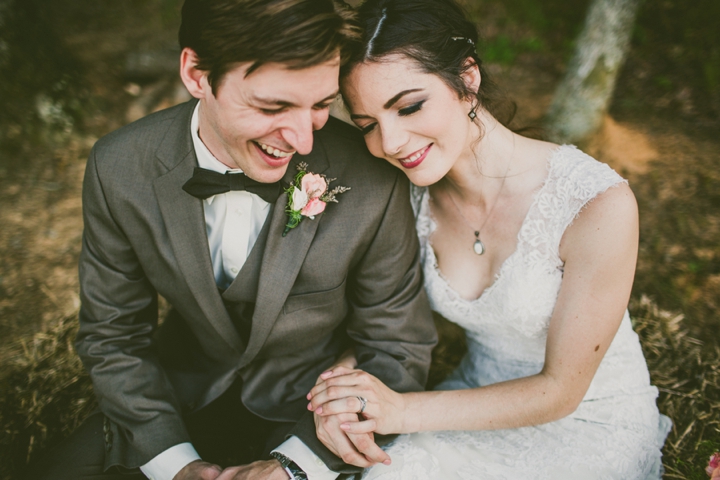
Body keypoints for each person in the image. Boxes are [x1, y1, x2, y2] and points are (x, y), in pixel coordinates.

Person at [24, 1, 438, 479]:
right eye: (273, 106)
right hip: (174, 402)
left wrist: (295, 468)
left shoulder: (371, 176)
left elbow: (397, 345)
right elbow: (113, 335)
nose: (303, 141)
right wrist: (173, 463)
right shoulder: (119, 167)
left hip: (312, 419)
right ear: (197, 73)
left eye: (321, 105)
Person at [307, 0, 672, 478]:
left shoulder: (595, 203)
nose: (391, 142)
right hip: (467, 404)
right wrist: (344, 380)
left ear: (467, 78)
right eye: (369, 126)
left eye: (410, 106)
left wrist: (401, 411)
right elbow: (392, 312)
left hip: (586, 422)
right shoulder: (406, 195)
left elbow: (560, 391)